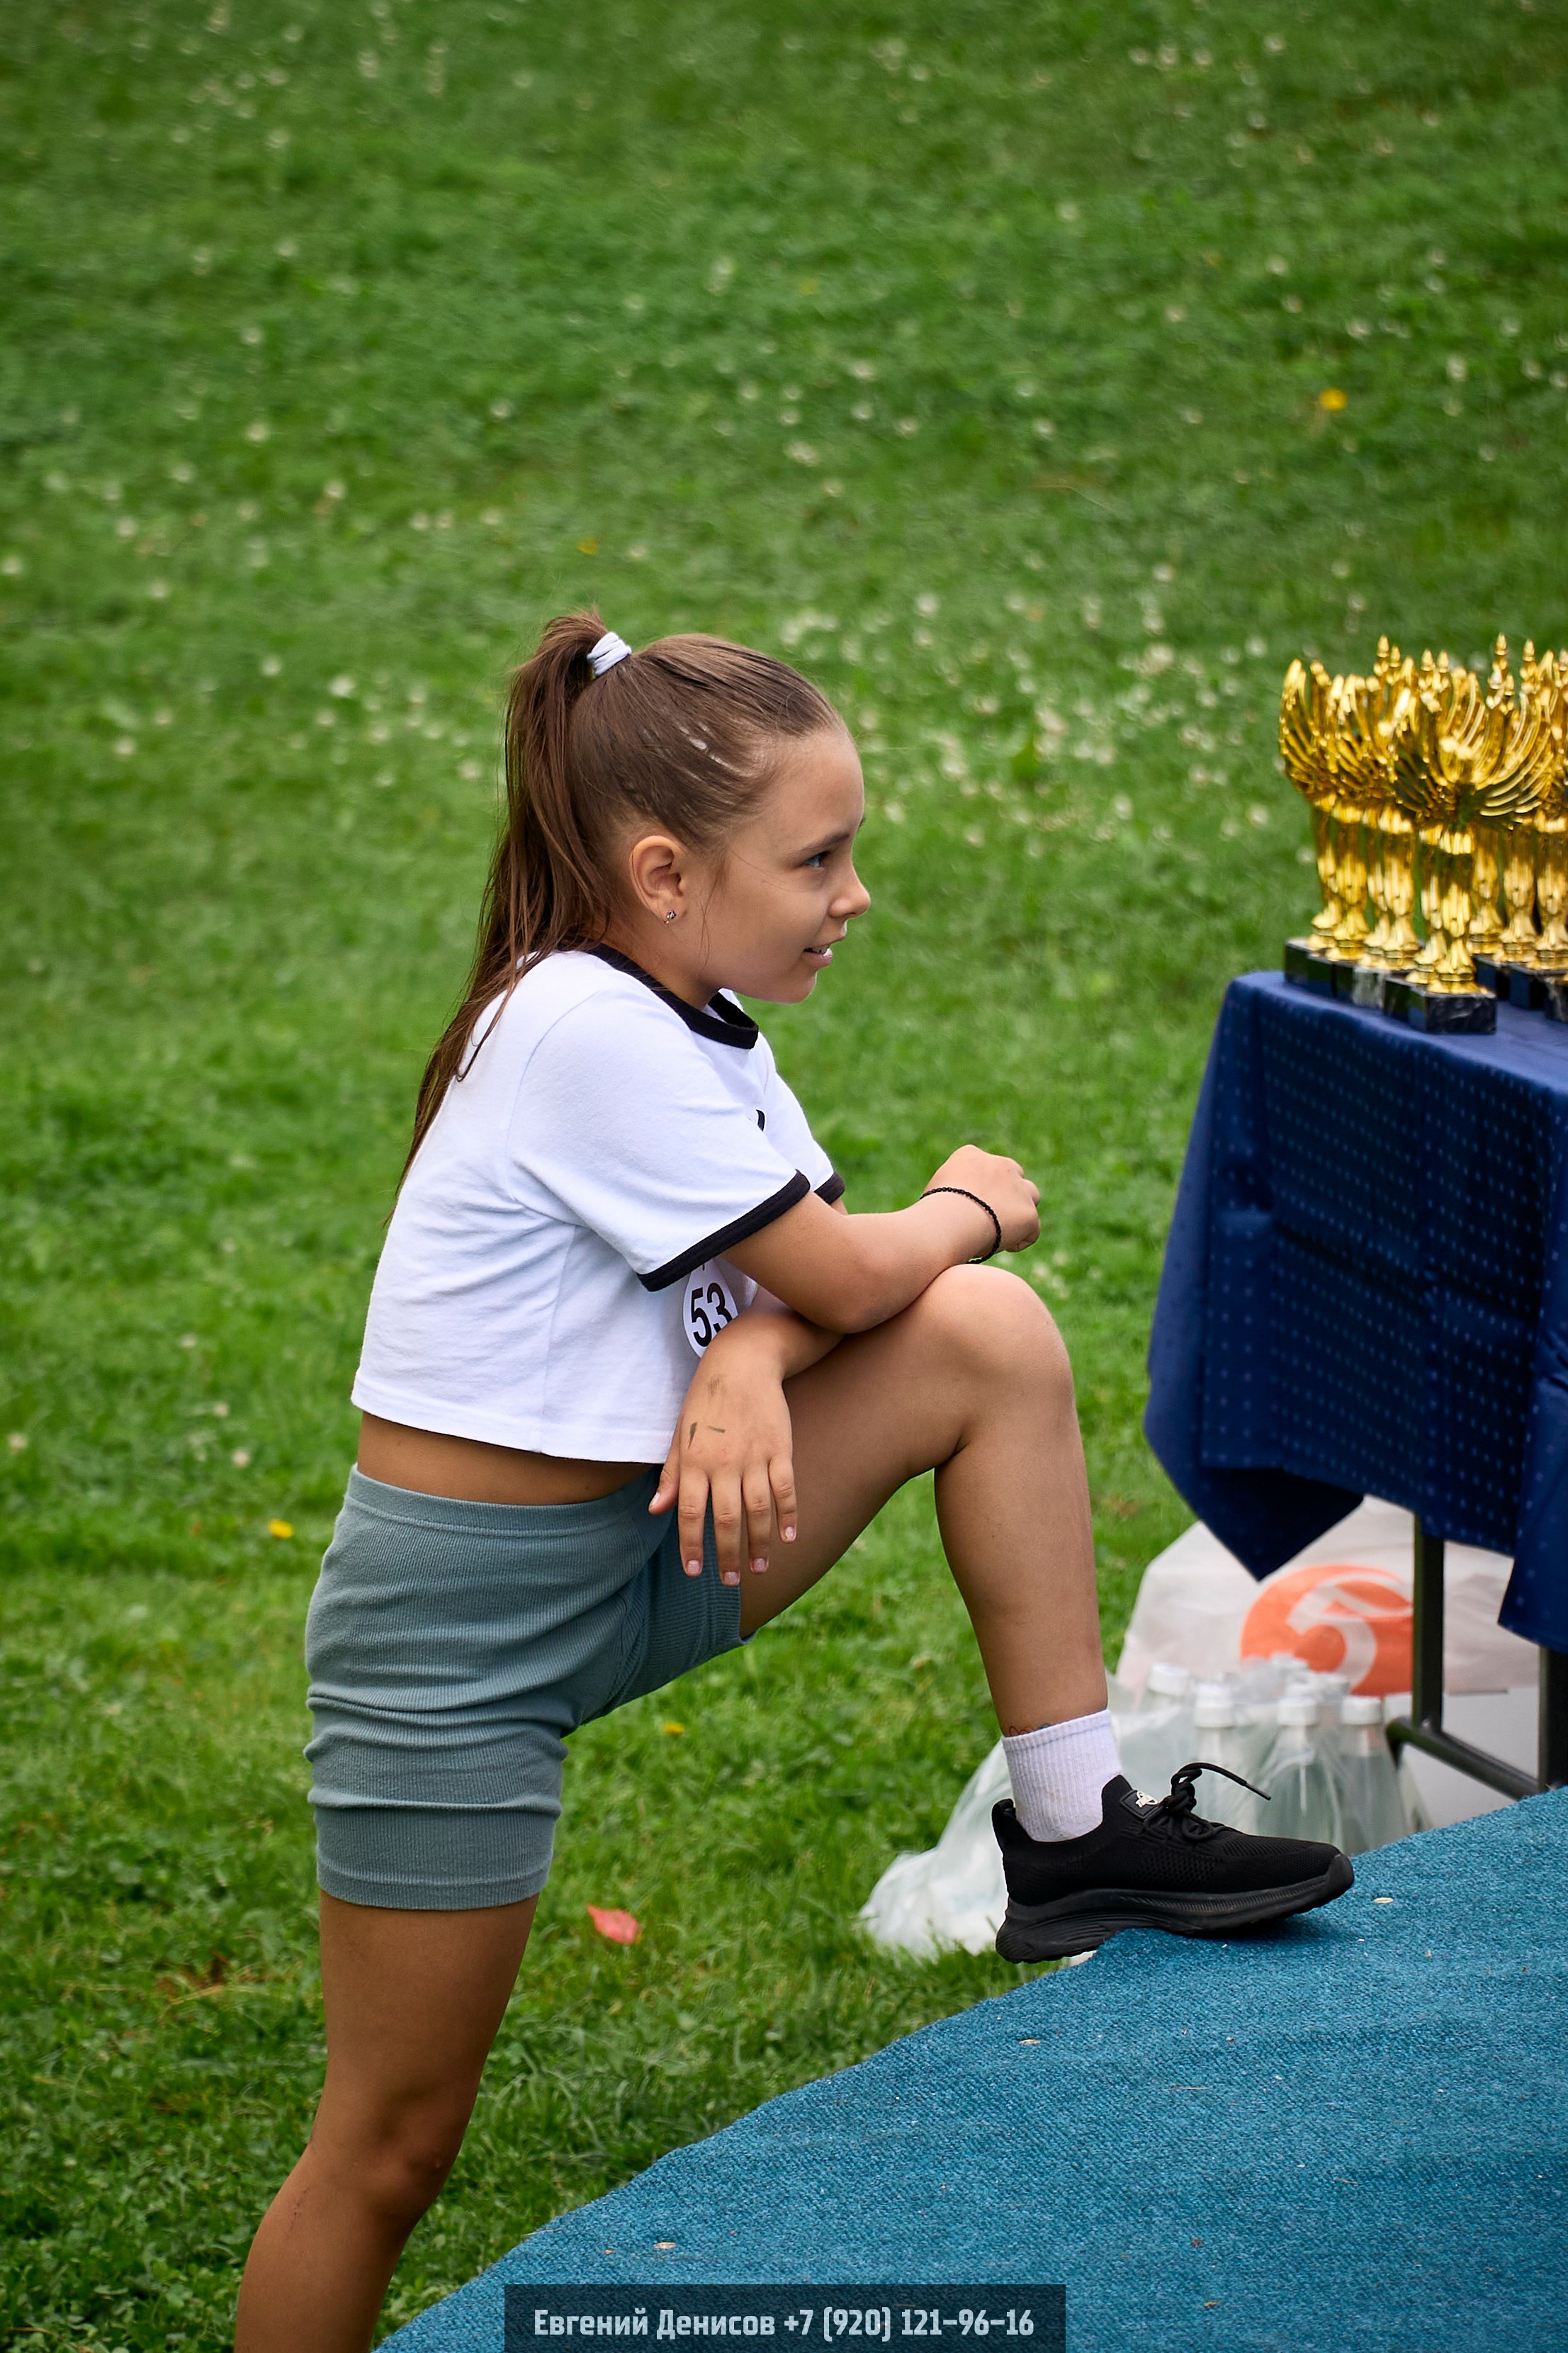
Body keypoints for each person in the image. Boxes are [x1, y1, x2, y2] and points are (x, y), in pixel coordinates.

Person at [235, 614, 1351, 2351]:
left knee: (983, 1340)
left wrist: (751, 1359)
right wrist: (969, 1198)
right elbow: (844, 1263)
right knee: (389, 2147)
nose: (854, 893)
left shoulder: (705, 1021)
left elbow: (815, 1294)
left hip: (646, 1546)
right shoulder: (581, 1025)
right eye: (817, 859)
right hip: (450, 1644)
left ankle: (1076, 1836)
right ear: (665, 873)